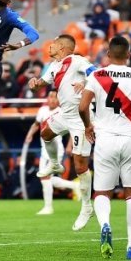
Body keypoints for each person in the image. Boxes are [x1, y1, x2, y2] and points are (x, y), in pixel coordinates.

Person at [78, 36, 131, 260]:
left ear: (108, 54)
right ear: (129, 55)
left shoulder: (97, 75)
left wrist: (88, 126)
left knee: (102, 192)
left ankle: (105, 225)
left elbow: (83, 106)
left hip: (105, 140)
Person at [28, 34, 96, 231]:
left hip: (81, 118)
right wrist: (35, 83)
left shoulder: (77, 60)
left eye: (53, 44)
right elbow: (43, 82)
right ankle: (55, 164)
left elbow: (96, 73)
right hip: (65, 113)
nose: (49, 47)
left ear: (63, 48)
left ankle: (86, 207)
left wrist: (85, 84)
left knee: (80, 164)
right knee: (45, 133)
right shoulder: (55, 66)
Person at [24, 90, 80, 215]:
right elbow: (36, 124)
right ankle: (75, 186)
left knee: (45, 177)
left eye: (55, 97)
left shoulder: (61, 111)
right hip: (44, 149)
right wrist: (29, 135)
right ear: (47, 98)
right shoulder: (43, 110)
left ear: (59, 99)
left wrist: (70, 145)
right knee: (46, 178)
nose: (53, 99)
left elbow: (72, 129)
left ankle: (48, 207)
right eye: (50, 96)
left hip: (55, 150)